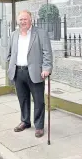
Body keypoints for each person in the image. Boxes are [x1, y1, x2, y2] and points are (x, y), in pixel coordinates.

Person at [6, 10, 53, 138]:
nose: (23, 22)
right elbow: (9, 53)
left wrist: (46, 68)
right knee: (23, 99)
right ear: (17, 21)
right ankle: (25, 121)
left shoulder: (40, 34)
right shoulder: (14, 35)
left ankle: (39, 126)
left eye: (25, 19)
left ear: (31, 20)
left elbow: (47, 53)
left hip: (35, 72)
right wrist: (11, 64)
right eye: (20, 19)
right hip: (18, 72)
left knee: (38, 101)